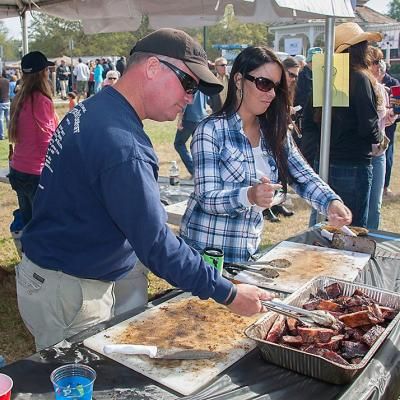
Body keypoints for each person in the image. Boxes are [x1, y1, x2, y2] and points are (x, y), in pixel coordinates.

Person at [16, 28, 274, 351]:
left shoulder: (95, 109)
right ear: (153, 68)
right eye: (189, 83)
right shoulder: (123, 145)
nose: (190, 98)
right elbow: (157, 245)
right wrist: (229, 293)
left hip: (56, 274)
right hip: (67, 291)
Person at [179, 46, 351, 263]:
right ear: (239, 80)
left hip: (246, 252)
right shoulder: (210, 130)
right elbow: (207, 197)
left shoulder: (275, 131)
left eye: (276, 87)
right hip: (205, 254)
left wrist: (331, 202)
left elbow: (303, 176)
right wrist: (249, 195)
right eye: (264, 83)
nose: (271, 94)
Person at [303, 22, 383, 227]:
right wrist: (379, 136)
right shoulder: (359, 78)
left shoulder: (325, 77)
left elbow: (309, 120)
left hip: (325, 163)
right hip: (354, 165)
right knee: (351, 230)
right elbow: (369, 127)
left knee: (323, 227)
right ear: (358, 48)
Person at [8, 51, 58, 226]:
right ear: (43, 73)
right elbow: (47, 141)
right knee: (43, 228)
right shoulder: (42, 101)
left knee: (29, 226)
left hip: (19, 170)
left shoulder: (18, 99)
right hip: (36, 174)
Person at [366, 48, 395, 229]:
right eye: (375, 62)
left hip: (379, 153)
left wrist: (389, 117)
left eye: (380, 62)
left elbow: (381, 122)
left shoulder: (382, 90)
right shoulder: (360, 87)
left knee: (375, 206)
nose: (379, 66)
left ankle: (371, 242)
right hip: (361, 153)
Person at [174, 90, 208, 176]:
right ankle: (200, 172)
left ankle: (193, 171)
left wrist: (180, 119)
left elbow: (186, 100)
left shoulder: (191, 82)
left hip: (189, 117)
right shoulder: (202, 82)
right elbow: (207, 99)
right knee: (197, 147)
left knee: (178, 143)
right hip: (202, 117)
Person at [382, 66, 400, 197]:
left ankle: (385, 186)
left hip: (390, 124)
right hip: (377, 122)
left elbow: (398, 105)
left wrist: (393, 112)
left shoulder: (393, 83)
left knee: (388, 153)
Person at [0, 70, 10, 140]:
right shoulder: (7, 81)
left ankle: (2, 135)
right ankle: (10, 134)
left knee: (1, 119)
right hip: (7, 101)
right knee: (8, 118)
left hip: (1, 102)